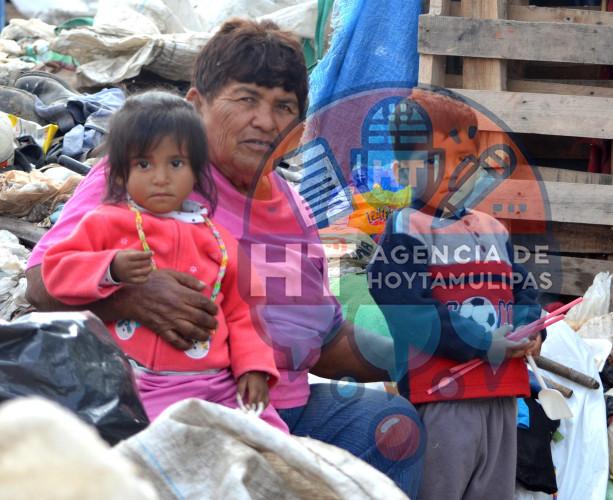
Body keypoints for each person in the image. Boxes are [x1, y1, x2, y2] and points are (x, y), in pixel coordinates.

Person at [25, 19, 422, 497]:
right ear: (196, 106)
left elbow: (324, 340)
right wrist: (129, 295)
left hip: (274, 412)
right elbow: (40, 285)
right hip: (167, 411)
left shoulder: (292, 206)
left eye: (284, 107)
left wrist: (424, 349)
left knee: (392, 426)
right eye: (247, 99)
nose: (266, 121)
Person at [40, 91, 286, 431]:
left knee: (269, 434)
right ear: (121, 172)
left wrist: (255, 367)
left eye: (176, 163)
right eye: (144, 164)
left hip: (211, 383)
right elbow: (56, 270)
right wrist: (110, 268)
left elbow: (245, 311)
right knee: (145, 443)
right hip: (133, 379)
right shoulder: (105, 223)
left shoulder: (219, 241)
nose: (160, 177)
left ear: (197, 172)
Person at [367, 90, 544, 500]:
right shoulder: (404, 233)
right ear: (401, 171)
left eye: (464, 159)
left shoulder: (492, 228)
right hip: (444, 400)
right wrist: (485, 341)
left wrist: (530, 329)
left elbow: (522, 288)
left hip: (502, 396)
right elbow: (413, 316)